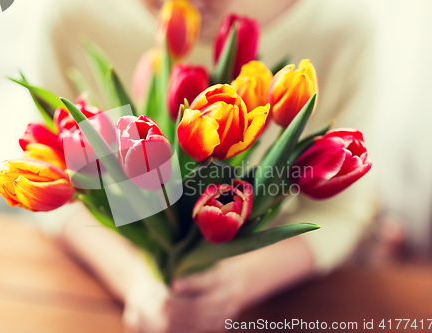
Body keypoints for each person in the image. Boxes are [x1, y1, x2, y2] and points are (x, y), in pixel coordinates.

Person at [33, 0, 377, 331]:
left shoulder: (340, 26)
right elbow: (63, 187)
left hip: (277, 305)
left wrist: (241, 282)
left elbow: (343, 213)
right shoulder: (74, 14)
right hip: (109, 293)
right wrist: (137, 283)